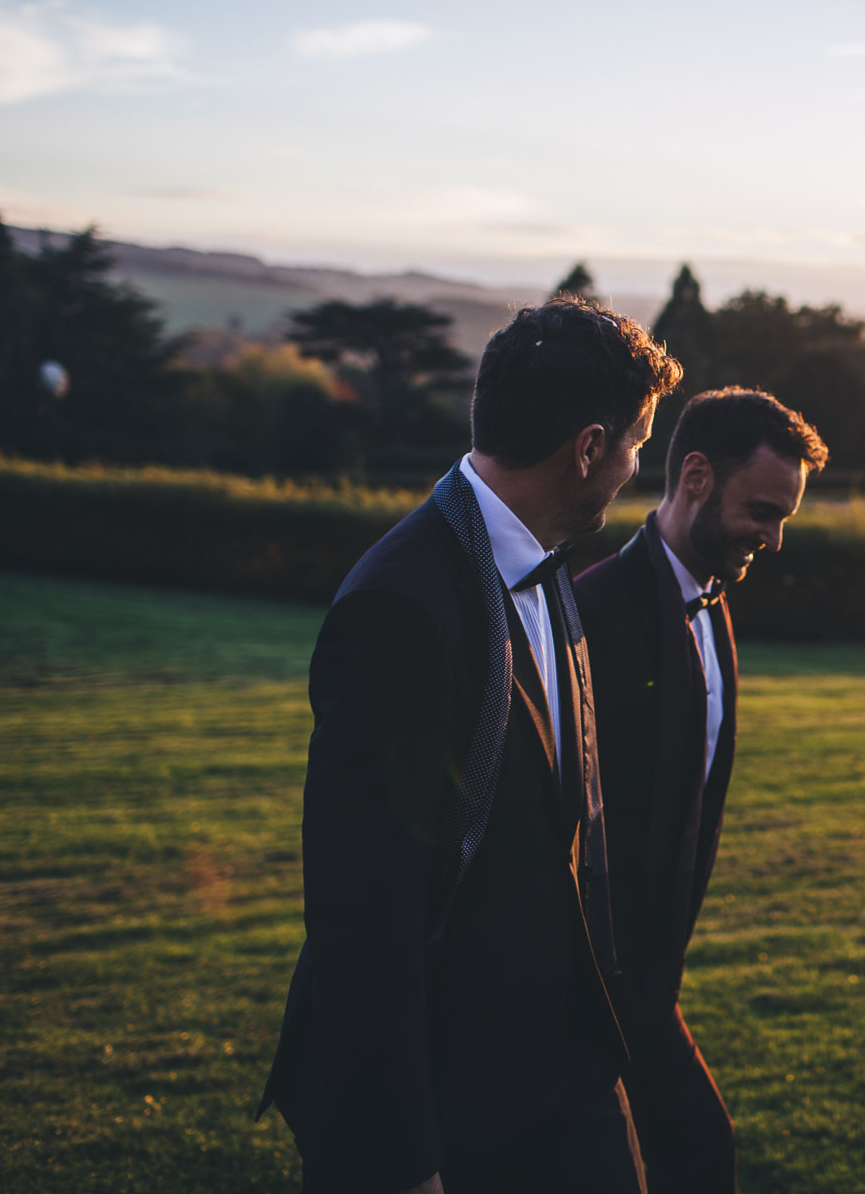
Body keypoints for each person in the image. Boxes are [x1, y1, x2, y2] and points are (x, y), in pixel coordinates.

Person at [258, 297, 682, 1194]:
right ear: (587, 447)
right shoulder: (402, 608)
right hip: (453, 1092)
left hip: (561, 1064)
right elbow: (361, 915)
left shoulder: (545, 558)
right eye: (638, 445)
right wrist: (399, 1161)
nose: (636, 468)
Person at [574, 389, 828, 1193]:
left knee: (693, 1158)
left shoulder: (713, 610)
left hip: (652, 982)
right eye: (762, 510)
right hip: (584, 991)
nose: (774, 538)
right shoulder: (591, 614)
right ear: (692, 476)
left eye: (783, 518)